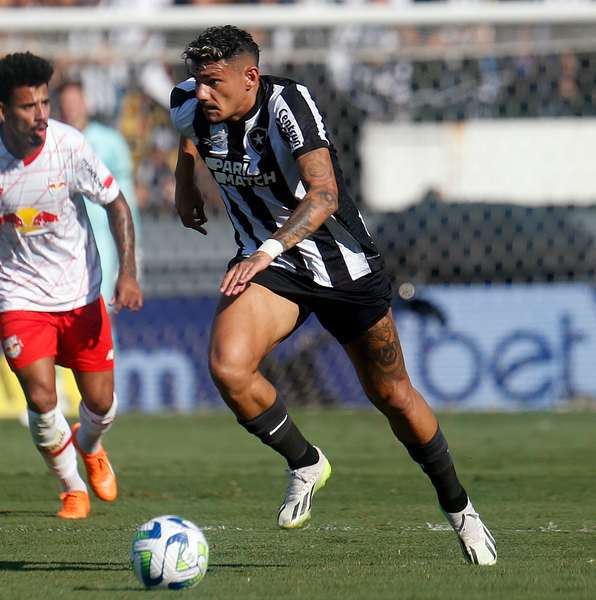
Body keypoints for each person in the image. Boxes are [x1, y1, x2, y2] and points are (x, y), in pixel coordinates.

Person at [171, 26, 496, 565]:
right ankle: (305, 461)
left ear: (250, 77)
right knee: (229, 368)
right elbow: (186, 131)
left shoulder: (288, 104)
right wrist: (186, 184)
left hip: (340, 265)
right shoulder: (189, 101)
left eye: (213, 82)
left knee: (393, 396)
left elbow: (324, 194)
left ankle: (461, 509)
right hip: (272, 263)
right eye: (197, 82)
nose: (201, 93)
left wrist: (266, 251)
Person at [0, 52, 143, 520]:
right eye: (29, 107)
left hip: (81, 289)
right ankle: (72, 487)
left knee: (102, 404)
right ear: (3, 112)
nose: (42, 115)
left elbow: (116, 205)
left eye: (45, 103)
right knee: (42, 397)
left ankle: (90, 447)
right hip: (18, 295)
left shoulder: (69, 146)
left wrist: (127, 273)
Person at [57, 80, 141, 311]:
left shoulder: (110, 142)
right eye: (65, 103)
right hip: (64, 237)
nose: (70, 108)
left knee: (101, 307)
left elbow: (127, 198)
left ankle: (107, 348)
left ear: (85, 103)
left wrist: (133, 250)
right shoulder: (54, 140)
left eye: (74, 101)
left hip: (103, 235)